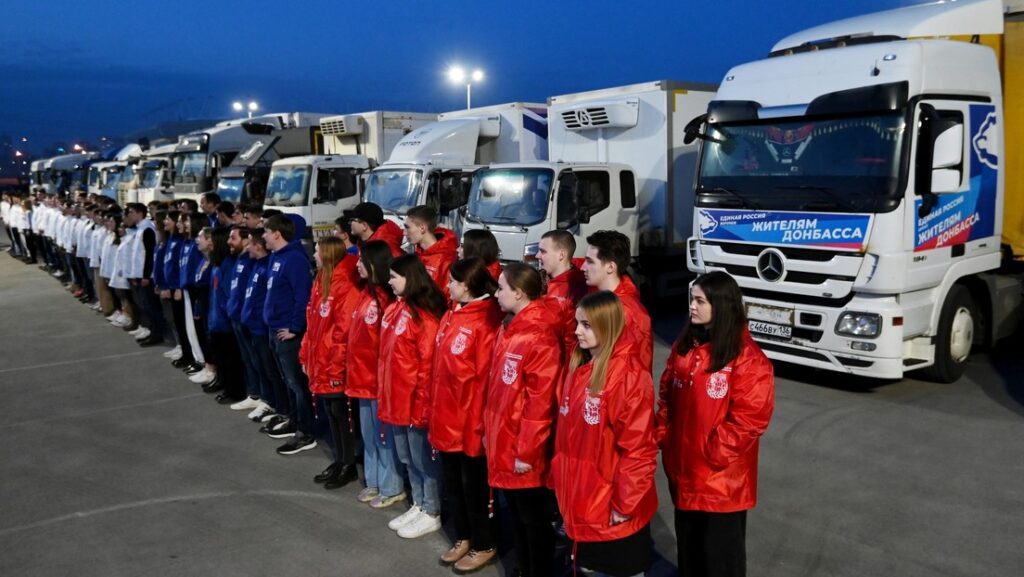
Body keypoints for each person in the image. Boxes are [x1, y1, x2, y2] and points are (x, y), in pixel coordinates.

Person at [656, 271, 774, 577]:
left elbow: (750, 419)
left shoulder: (747, 358)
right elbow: (666, 394)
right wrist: (664, 435)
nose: (692, 307)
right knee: (691, 556)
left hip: (720, 484)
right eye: (691, 300)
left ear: (721, 306)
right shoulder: (686, 345)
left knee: (721, 561)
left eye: (700, 301)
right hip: (684, 476)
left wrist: (712, 455)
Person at [551, 291, 658, 577]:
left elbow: (639, 449)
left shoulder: (627, 377)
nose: (576, 331)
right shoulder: (580, 368)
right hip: (584, 503)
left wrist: (624, 505)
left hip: (611, 512)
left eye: (586, 325)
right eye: (577, 323)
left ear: (607, 326)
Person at [484, 262, 564, 577]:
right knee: (517, 514)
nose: (496, 293)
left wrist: (527, 452)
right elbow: (499, 391)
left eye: (501, 288)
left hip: (523, 449)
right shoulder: (510, 327)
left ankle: (537, 569)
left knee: (533, 518)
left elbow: (540, 403)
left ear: (518, 293)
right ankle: (524, 566)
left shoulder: (538, 335)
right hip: (506, 438)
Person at [429, 257, 503, 571]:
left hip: (469, 424)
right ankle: (464, 537)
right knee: (453, 484)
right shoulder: (452, 314)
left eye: (452, 282)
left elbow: (484, 383)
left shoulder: (485, 321)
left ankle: (484, 543)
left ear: (467, 286)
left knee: (474, 488)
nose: (446, 286)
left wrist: (478, 429)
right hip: (446, 418)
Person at [301, 236, 362, 490]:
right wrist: (306, 354)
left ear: (327, 254)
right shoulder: (321, 280)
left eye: (317, 250)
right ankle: (340, 459)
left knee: (341, 413)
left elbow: (343, 331)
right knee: (331, 412)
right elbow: (313, 322)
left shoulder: (344, 285)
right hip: (321, 360)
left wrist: (336, 366)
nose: (314, 254)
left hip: (332, 364)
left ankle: (348, 463)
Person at [346, 241, 403, 508]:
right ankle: (374, 481)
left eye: (361, 260)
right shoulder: (366, 295)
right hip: (360, 379)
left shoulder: (385, 300)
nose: (356, 264)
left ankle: (392, 486)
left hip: (377, 382)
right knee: (369, 436)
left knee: (384, 438)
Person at [263, 214, 317, 455]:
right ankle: (295, 422)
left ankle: (306, 432)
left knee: (297, 384)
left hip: (288, 334)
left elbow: (302, 296)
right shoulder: (277, 257)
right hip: (275, 329)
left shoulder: (294, 258)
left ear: (277, 233)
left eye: (266, 231)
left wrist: (295, 328)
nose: (263, 235)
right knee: (288, 382)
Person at [581, 230, 653, 372]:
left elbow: (635, 373)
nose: (583, 267)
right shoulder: (599, 297)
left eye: (590, 261)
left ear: (611, 267)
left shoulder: (629, 313)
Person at [404, 205, 458, 296]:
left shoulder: (446, 259)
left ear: (422, 228)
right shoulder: (418, 254)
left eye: (407, 227)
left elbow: (448, 297)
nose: (404, 233)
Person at [537, 230, 586, 306]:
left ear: (561, 255)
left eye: (543, 251)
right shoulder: (541, 278)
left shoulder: (574, 293)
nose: (537, 256)